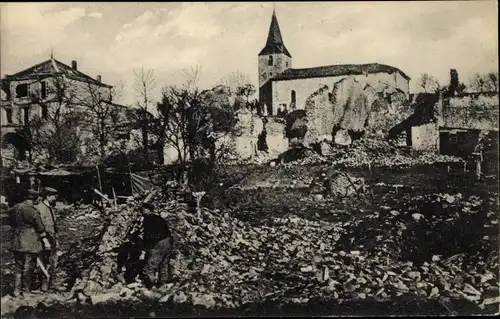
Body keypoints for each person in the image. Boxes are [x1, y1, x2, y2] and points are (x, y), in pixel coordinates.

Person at [8, 189, 51, 297]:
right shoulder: (32, 210)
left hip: (16, 239)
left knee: (18, 266)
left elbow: (11, 223)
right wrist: (45, 240)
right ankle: (26, 290)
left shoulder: (15, 208)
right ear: (35, 199)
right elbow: (40, 227)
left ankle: (16, 291)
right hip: (30, 241)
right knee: (29, 266)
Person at [130, 202, 174, 289]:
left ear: (148, 210)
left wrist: (145, 248)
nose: (141, 211)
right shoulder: (160, 218)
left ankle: (152, 285)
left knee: (149, 268)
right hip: (168, 241)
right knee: (163, 264)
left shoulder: (148, 219)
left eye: (142, 209)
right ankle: (163, 284)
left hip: (158, 243)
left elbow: (148, 235)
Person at [35, 187, 59, 292]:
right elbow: (39, 225)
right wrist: (44, 239)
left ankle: (46, 284)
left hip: (51, 236)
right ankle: (43, 285)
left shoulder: (49, 207)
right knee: (44, 260)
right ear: (48, 196)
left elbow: (52, 223)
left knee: (50, 260)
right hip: (45, 238)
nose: (55, 198)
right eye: (53, 196)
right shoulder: (40, 208)